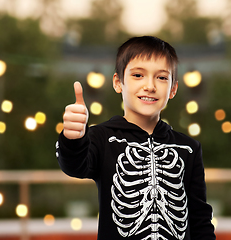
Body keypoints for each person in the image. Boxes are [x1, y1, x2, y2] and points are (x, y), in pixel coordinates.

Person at [55, 36, 215, 240]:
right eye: (138, 75)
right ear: (118, 82)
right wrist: (73, 137)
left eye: (162, 77)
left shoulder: (189, 148)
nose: (150, 86)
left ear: (173, 89)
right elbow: (74, 165)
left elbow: (200, 219)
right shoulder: (102, 139)